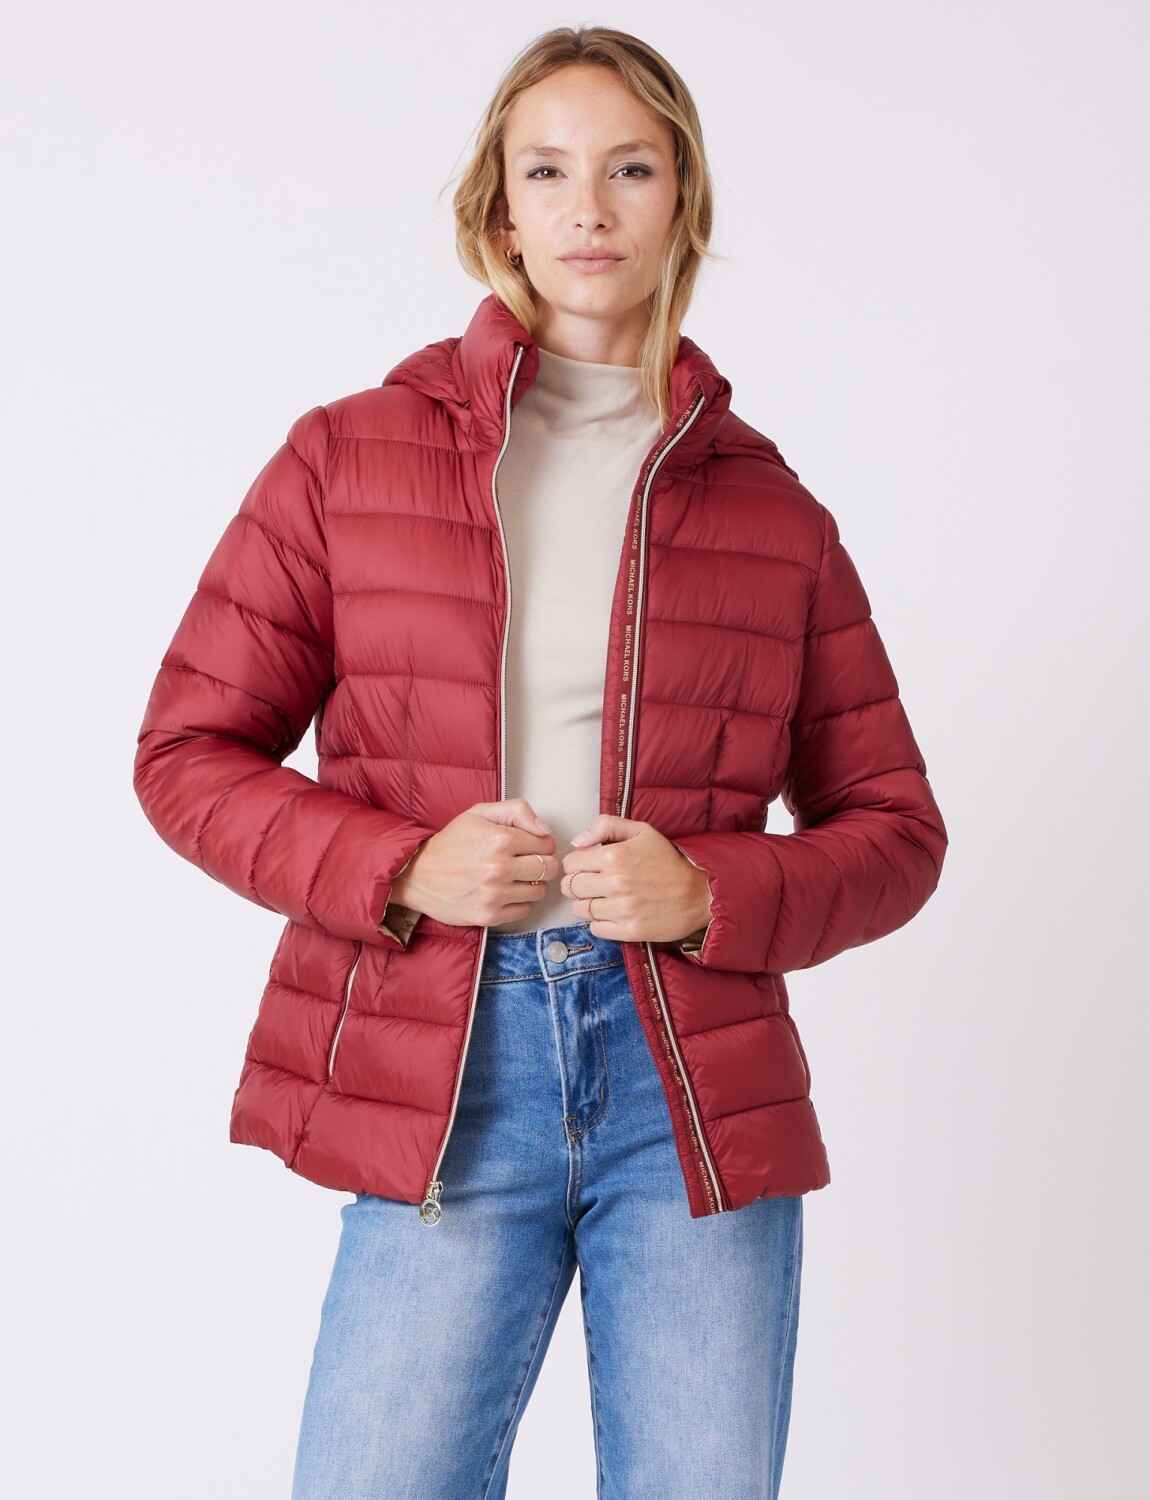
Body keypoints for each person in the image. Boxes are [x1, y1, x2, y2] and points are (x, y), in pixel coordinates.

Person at [132, 24, 947, 1500]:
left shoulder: (774, 515)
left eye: (629, 169)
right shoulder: (347, 458)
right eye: (548, 172)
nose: (587, 209)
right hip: (448, 1070)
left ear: (682, 200)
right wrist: (401, 865)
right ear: (499, 210)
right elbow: (189, 752)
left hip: (690, 1086)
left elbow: (894, 828)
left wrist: (711, 893)